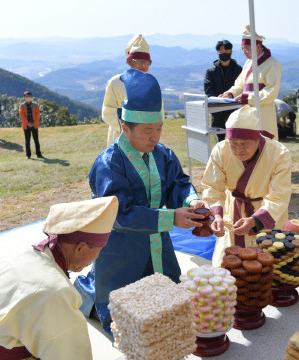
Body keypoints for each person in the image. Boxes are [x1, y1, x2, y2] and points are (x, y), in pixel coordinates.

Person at [74, 69, 209, 335]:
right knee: (126, 318)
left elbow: (178, 183)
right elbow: (118, 214)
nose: (155, 137)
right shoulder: (109, 163)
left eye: (159, 129)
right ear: (125, 128)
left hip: (158, 243)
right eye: (148, 131)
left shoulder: (162, 154)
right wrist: (170, 218)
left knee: (169, 307)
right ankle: (90, 295)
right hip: (121, 249)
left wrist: (192, 200)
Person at [0, 197, 120, 360]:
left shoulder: (21, 255)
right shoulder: (56, 293)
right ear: (80, 248)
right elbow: (70, 354)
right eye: (99, 250)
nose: (95, 259)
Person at [201, 105, 292, 267]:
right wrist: (217, 215)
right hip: (233, 215)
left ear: (258, 138)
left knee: (267, 270)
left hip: (267, 215)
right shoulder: (220, 151)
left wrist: (256, 220)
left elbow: (280, 196)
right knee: (228, 268)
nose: (238, 149)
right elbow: (212, 188)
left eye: (244, 143)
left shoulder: (279, 154)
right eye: (233, 143)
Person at [220, 25, 282, 140]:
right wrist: (230, 93)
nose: (245, 52)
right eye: (243, 48)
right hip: (246, 114)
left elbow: (271, 92)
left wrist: (248, 97)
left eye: (247, 48)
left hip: (263, 114)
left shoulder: (272, 64)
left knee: (263, 147)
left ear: (258, 46)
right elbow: (239, 84)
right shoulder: (248, 63)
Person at [102, 34, 155, 146]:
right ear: (130, 62)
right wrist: (129, 127)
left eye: (146, 61)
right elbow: (107, 111)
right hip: (120, 139)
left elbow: (159, 113)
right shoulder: (115, 82)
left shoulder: (152, 84)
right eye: (139, 61)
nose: (143, 65)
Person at [204, 40, 243, 141]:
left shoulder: (239, 70)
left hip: (235, 109)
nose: (224, 53)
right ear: (217, 53)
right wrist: (218, 100)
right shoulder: (211, 71)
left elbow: (242, 87)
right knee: (219, 140)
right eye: (221, 51)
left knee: (236, 137)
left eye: (226, 51)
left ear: (231, 51)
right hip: (217, 110)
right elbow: (208, 90)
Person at [19, 91, 43, 159]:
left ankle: (39, 154)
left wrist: (33, 123)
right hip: (26, 126)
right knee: (27, 141)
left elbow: (37, 115)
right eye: (26, 96)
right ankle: (28, 155)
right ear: (24, 98)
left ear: (31, 97)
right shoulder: (22, 106)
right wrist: (28, 123)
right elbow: (22, 116)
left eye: (29, 96)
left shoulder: (35, 105)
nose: (28, 98)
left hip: (34, 125)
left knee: (36, 140)